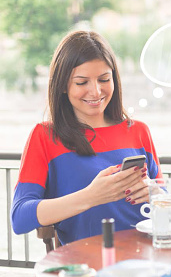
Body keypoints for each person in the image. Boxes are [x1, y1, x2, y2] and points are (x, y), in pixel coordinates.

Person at [11, 30, 162, 245]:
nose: (96, 91)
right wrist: (92, 196)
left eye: (104, 79)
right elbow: (20, 217)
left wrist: (154, 192)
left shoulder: (138, 131)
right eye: (82, 82)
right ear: (63, 85)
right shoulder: (45, 136)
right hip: (88, 265)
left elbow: (165, 195)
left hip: (148, 256)